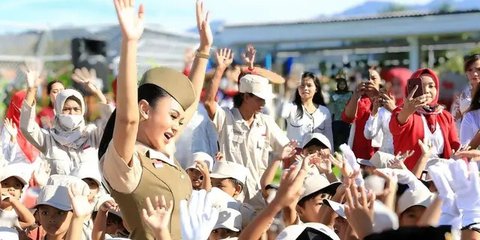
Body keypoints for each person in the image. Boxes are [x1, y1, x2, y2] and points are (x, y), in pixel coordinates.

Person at [98, 0, 212, 239]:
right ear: (144, 110)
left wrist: (204, 50)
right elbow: (127, 121)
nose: (177, 125)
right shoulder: (126, 164)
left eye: (179, 121)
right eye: (172, 116)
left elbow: (187, 108)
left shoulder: (161, 151)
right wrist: (130, 42)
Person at [204, 49, 295, 210]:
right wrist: (220, 69)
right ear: (246, 97)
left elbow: (289, 150)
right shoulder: (226, 118)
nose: (264, 103)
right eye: (259, 99)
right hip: (229, 199)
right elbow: (209, 103)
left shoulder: (266, 122)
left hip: (257, 198)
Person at [390, 68, 460, 170]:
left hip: (439, 178)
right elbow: (395, 127)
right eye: (421, 87)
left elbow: (454, 146)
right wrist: (407, 110)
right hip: (409, 177)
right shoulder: (403, 111)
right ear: (411, 89)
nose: (426, 90)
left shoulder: (445, 116)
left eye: (431, 86)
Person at [364, 71, 408, 154]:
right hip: (386, 158)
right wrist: (374, 112)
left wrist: (394, 110)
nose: (395, 88)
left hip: (405, 157)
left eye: (399, 84)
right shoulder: (384, 110)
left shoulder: (412, 110)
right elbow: (369, 135)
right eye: (393, 84)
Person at [341, 68, 381, 159]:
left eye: (373, 78)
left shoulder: (386, 99)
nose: (370, 81)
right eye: (366, 78)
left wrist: (376, 96)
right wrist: (355, 95)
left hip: (379, 151)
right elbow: (348, 118)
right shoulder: (358, 99)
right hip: (359, 152)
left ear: (380, 82)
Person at [286, 72, 333, 148]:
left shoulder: (324, 112)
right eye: (302, 85)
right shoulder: (291, 107)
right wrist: (287, 91)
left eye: (309, 85)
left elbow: (329, 138)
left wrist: (330, 156)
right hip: (295, 156)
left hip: (317, 157)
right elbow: (281, 113)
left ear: (316, 89)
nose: (305, 88)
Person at [451, 53, 480, 130]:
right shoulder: (463, 93)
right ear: (466, 73)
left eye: (479, 69)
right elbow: (454, 119)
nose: (475, 74)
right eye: (470, 70)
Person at [328, 74, 352, 151]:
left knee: (346, 138)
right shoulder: (333, 94)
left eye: (343, 84)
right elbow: (330, 105)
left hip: (346, 119)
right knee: (334, 138)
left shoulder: (349, 94)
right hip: (336, 118)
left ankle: (345, 154)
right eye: (340, 84)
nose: (342, 86)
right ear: (338, 85)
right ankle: (334, 152)